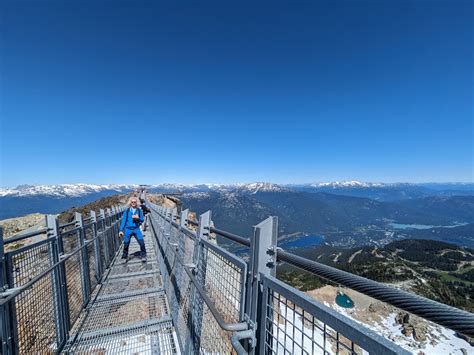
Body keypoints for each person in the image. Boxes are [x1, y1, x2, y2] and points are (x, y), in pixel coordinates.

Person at [119, 196, 146, 262]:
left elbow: (142, 219)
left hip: (136, 229)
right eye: (132, 202)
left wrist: (138, 218)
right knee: (126, 243)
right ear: (130, 203)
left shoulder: (139, 211)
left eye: (135, 202)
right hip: (128, 229)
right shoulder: (127, 211)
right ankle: (124, 257)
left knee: (141, 242)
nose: (133, 203)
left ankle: (143, 256)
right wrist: (121, 230)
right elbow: (123, 221)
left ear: (137, 203)